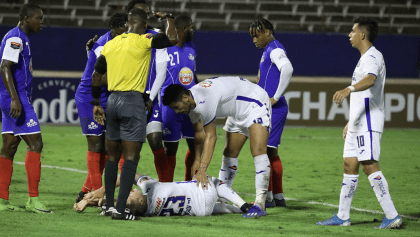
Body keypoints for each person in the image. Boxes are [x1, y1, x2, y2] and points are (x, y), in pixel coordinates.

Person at [91, 8, 178, 220]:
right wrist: (169, 19)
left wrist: (95, 103)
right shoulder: (144, 40)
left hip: (112, 101)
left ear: (128, 22)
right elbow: (173, 39)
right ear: (143, 23)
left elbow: (97, 73)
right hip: (132, 101)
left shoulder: (111, 44)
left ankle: (108, 207)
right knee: (131, 157)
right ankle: (120, 209)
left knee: (112, 156)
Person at [316, 17, 402, 229]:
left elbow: (370, 79)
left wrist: (348, 88)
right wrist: (350, 121)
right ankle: (342, 216)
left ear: (362, 34)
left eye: (353, 31)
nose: (350, 35)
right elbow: (365, 94)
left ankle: (392, 216)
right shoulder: (364, 57)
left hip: (369, 121)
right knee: (349, 165)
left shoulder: (372, 56)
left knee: (369, 166)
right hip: (358, 121)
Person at [162, 76, 272, 217]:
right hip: (236, 112)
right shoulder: (191, 102)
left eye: (176, 107)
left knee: (257, 150)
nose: (177, 112)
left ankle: (260, 204)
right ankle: (221, 199)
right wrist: (196, 159)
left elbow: (211, 136)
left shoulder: (203, 100)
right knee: (229, 153)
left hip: (255, 102)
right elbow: (198, 133)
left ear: (185, 98)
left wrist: (202, 168)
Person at [0, 3, 51, 213]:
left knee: (10, 147)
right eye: (39, 18)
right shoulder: (15, 37)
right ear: (27, 18)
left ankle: (2, 200)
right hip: (16, 98)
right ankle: (33, 199)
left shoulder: (20, 37)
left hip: (11, 97)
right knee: (36, 144)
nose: (42, 22)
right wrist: (15, 98)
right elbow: (4, 66)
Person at [74, 13, 128, 203]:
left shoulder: (122, 42)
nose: (126, 32)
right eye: (123, 28)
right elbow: (99, 77)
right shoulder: (102, 45)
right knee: (96, 145)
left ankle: (86, 192)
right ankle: (96, 196)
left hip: (107, 97)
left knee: (108, 147)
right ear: (113, 29)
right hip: (90, 97)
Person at [247, 18, 293, 207]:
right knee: (270, 151)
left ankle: (268, 198)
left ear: (266, 32)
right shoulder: (269, 50)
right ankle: (278, 196)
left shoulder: (274, 49)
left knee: (262, 152)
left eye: (257, 36)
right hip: (269, 108)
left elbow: (288, 69)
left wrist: (275, 96)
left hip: (274, 108)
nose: (254, 40)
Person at [74, 173, 252, 218]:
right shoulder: (151, 189)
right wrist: (100, 190)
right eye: (132, 194)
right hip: (202, 194)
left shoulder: (145, 211)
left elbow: (122, 203)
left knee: (218, 208)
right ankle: (245, 206)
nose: (132, 191)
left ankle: (236, 210)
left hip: (200, 210)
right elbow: (129, 176)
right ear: (141, 199)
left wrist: (92, 202)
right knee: (213, 181)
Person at [153, 15, 198, 182]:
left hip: (190, 105)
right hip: (170, 106)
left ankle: (189, 183)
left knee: (195, 146)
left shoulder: (191, 47)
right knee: (171, 148)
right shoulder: (163, 49)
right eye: (191, 27)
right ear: (184, 28)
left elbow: (194, 75)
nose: (193, 30)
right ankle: (167, 186)